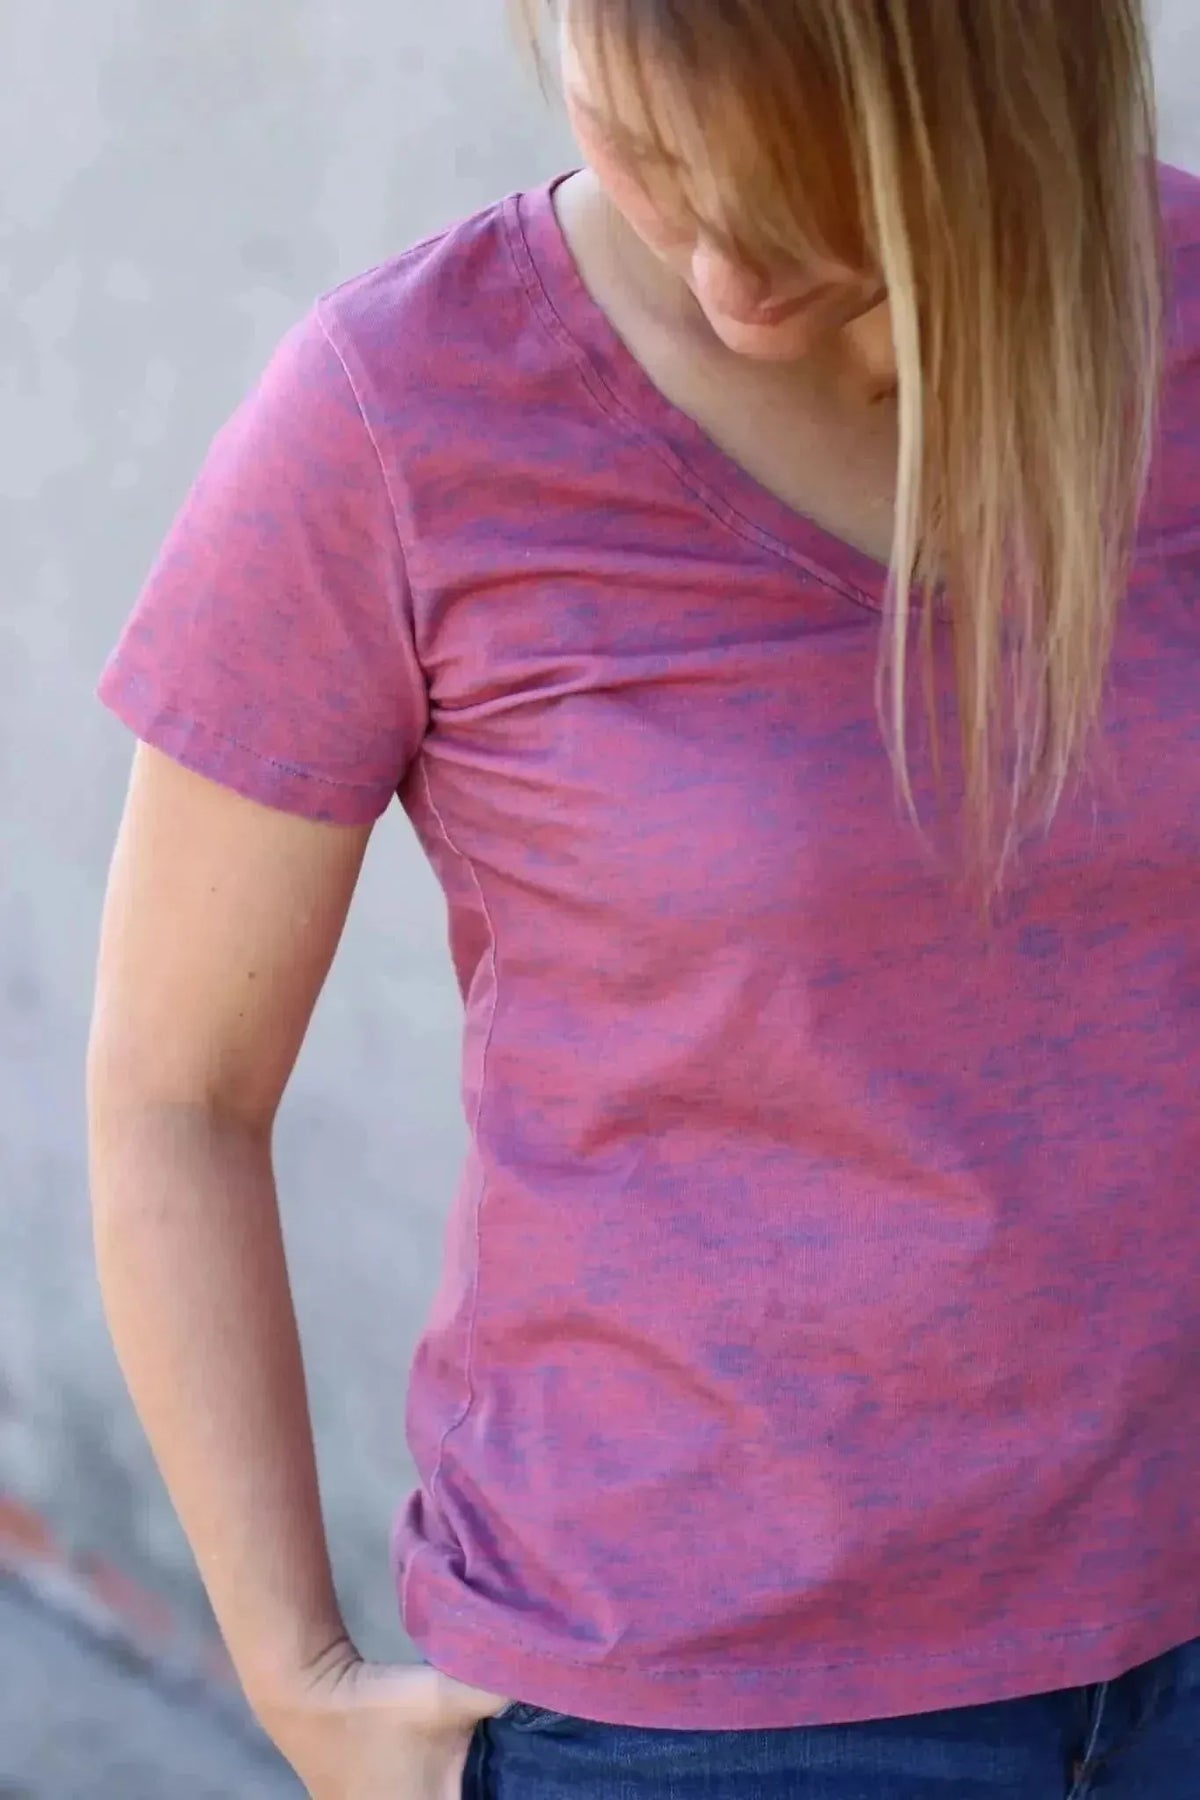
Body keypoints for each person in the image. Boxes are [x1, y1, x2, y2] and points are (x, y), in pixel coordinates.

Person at [87, 1, 1200, 1794]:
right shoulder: (403, 415)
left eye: (817, 199)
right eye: (654, 158)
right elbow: (172, 1094)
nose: (730, 276)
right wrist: (297, 1678)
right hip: (692, 1714)